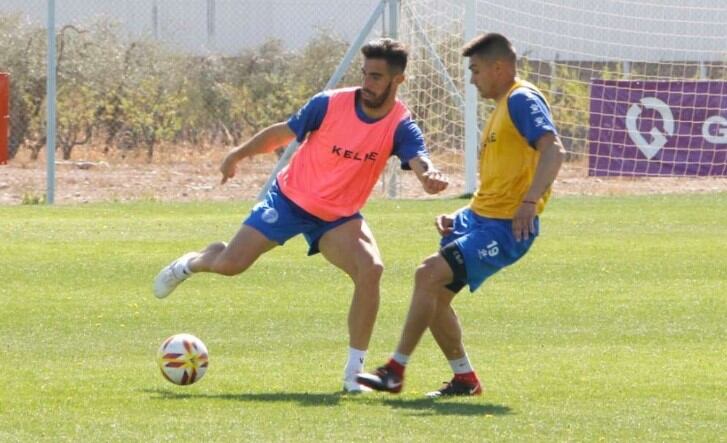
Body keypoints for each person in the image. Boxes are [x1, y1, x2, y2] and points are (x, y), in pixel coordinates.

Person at [153, 38, 449, 393]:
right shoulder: (330, 104)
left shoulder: (400, 124)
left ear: (397, 80)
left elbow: (419, 157)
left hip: (337, 217)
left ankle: (353, 375)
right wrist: (237, 154)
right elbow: (282, 132)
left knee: (371, 270)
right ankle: (192, 262)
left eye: (376, 77)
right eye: (365, 74)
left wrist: (428, 175)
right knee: (231, 264)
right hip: (290, 200)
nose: (367, 84)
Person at [357, 33, 565, 398]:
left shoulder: (522, 99)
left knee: (427, 274)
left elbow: (554, 152)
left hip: (505, 229)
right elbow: (501, 183)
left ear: (499, 68)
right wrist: (463, 212)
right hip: (480, 219)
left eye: (476, 70)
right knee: (434, 295)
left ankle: (395, 370)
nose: (472, 79)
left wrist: (530, 202)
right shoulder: (502, 106)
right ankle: (465, 380)